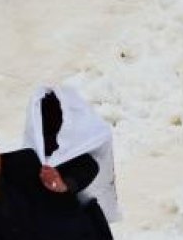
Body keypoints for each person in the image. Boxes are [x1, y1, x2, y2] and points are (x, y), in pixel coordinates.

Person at [23, 85, 121, 224]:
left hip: (76, 221)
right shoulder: (30, 155)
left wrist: (63, 185)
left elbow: (89, 167)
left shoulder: (85, 153)